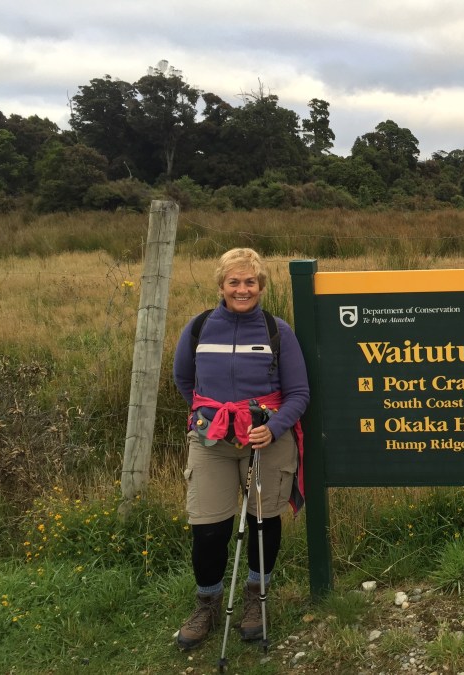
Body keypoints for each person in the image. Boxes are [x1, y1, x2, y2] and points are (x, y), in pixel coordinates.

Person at [172, 247, 309, 650]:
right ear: (221, 285)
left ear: (261, 286)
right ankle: (208, 603)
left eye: (250, 282)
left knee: (263, 522)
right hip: (211, 443)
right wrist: (211, 418)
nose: (242, 289)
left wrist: (273, 428)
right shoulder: (199, 328)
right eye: (234, 282)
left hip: (267, 442)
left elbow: (299, 393)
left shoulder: (277, 331)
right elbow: (184, 381)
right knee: (209, 528)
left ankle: (255, 597)